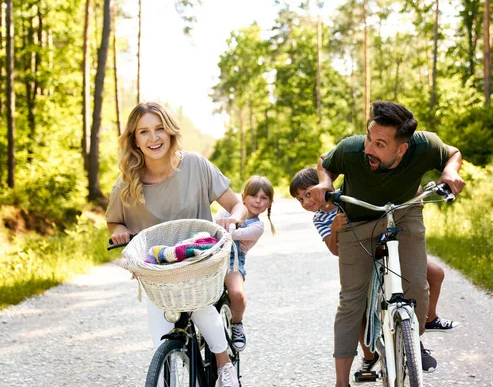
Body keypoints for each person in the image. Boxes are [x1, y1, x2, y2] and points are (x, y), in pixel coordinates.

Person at [309, 100, 465, 386]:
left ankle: (410, 342)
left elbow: (453, 153)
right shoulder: (351, 148)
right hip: (357, 219)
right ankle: (341, 382)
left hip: (403, 212)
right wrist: (325, 183)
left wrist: (449, 172)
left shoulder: (425, 145)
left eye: (380, 144)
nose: (369, 147)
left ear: (402, 149)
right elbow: (325, 162)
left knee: (417, 286)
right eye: (369, 137)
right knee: (351, 301)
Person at [105, 102, 245, 387]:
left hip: (199, 264)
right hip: (159, 273)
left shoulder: (195, 164)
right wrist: (119, 231)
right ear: (134, 139)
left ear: (170, 132)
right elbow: (114, 223)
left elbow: (236, 204)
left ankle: (224, 365)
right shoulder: (126, 183)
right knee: (160, 342)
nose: (153, 138)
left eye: (159, 129)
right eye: (144, 132)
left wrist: (234, 220)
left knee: (202, 308)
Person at [290, 166, 460, 382]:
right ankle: (370, 358)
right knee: (360, 309)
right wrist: (335, 227)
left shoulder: (349, 195)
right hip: (362, 259)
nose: (306, 202)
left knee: (435, 273)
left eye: (308, 193)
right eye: (300, 199)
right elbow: (335, 250)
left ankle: (429, 318)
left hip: (391, 247)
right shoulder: (320, 219)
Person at [214, 175, 276, 351]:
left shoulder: (257, 226)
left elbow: (231, 235)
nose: (257, 201)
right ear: (242, 198)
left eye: (263, 198)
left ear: (269, 203)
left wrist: (228, 224)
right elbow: (211, 223)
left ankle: (236, 324)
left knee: (237, 294)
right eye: (253, 196)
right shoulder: (226, 212)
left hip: (233, 261)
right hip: (212, 257)